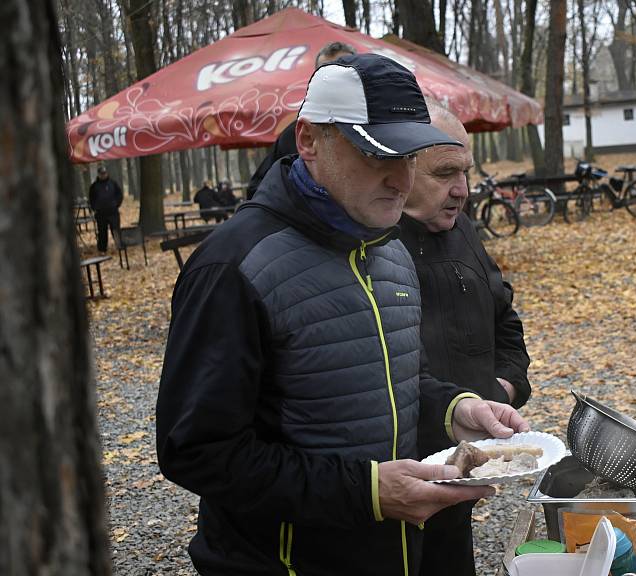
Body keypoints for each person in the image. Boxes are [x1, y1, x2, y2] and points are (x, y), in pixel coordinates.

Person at [156, 53, 530, 576]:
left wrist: (455, 408)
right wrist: (369, 492)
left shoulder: (390, 249)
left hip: (396, 555)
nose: (400, 180)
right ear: (310, 141)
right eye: (379, 156)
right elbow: (196, 452)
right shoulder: (233, 266)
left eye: (409, 157)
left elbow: (390, 381)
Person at [399, 104, 532, 576]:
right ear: (401, 167)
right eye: (445, 174)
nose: (462, 190)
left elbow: (506, 323)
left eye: (466, 172)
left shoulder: (463, 230)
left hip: (466, 464)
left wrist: (502, 391)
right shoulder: (376, 245)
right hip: (399, 479)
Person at [245, 41, 357, 199]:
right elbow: (257, 189)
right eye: (325, 74)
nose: (333, 83)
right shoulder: (297, 133)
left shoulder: (383, 127)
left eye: (341, 74)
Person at [88, 165, 123, 253]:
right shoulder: (94, 186)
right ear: (98, 174)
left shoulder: (113, 183)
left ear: (107, 173)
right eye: (101, 174)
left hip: (113, 212)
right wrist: (94, 208)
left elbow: (119, 194)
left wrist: (116, 204)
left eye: (104, 173)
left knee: (116, 230)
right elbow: (91, 198)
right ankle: (102, 249)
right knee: (102, 232)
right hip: (101, 214)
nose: (103, 175)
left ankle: (119, 246)